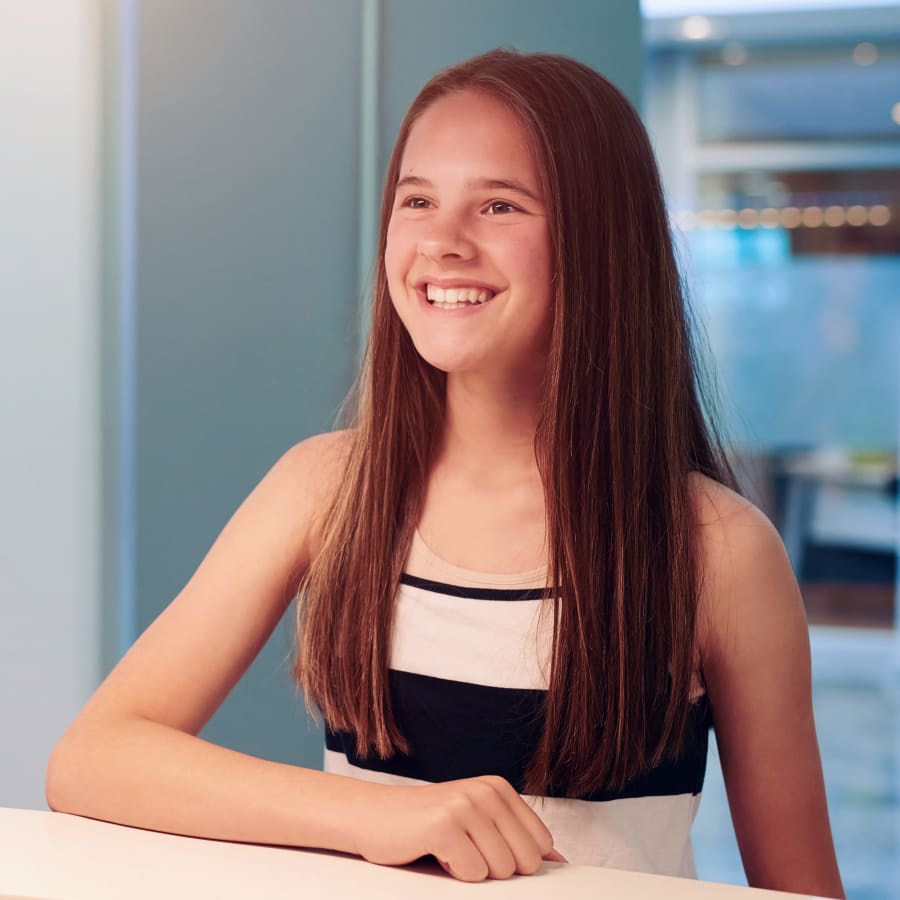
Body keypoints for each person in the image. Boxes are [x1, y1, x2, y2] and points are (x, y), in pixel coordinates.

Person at [46, 49, 844, 895]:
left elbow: (800, 889)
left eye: (499, 204)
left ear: (600, 241)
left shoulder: (716, 550)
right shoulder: (327, 491)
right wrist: (379, 816)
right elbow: (93, 759)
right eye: (417, 200)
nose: (442, 242)